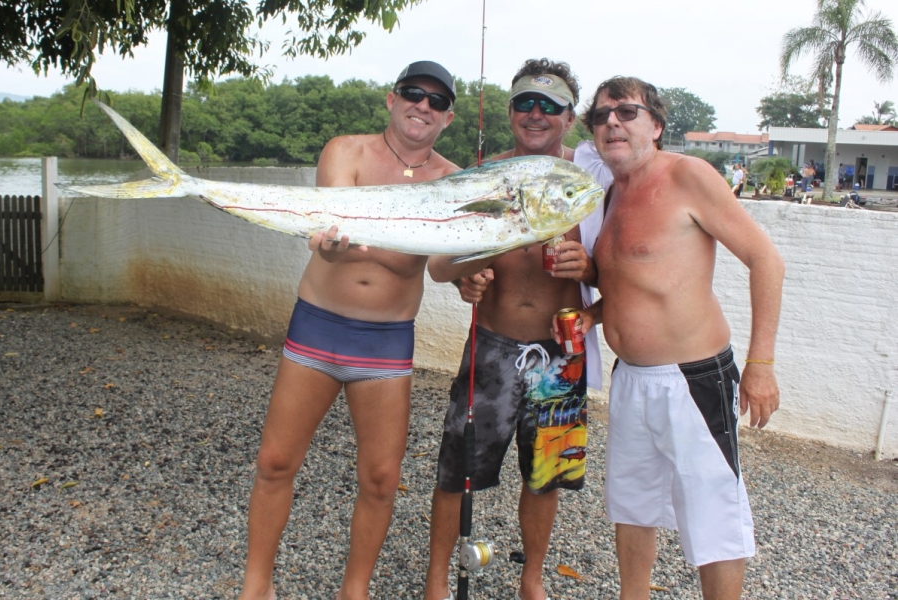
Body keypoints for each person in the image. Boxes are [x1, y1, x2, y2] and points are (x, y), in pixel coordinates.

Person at [238, 60, 459, 600]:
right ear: (391, 99)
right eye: (413, 93)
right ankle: (256, 584)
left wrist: (473, 268)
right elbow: (330, 226)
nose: (422, 106)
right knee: (275, 460)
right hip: (317, 326)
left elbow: (439, 266)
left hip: (386, 342)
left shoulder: (453, 181)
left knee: (382, 479)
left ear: (448, 118)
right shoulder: (346, 151)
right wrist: (330, 242)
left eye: (435, 101)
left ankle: (353, 591)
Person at [572, 76, 784, 600]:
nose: (612, 123)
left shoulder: (689, 176)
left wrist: (761, 364)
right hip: (632, 380)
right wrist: (593, 315)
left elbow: (766, 260)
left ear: (657, 125)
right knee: (633, 506)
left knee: (713, 513)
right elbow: (636, 279)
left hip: (694, 380)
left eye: (626, 112)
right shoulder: (607, 194)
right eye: (601, 116)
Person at [423, 58, 612, 600]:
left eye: (550, 106)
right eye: (526, 102)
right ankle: (438, 580)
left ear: (570, 118)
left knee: (545, 476)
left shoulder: (592, 178)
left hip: (562, 355)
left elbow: (619, 270)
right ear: (510, 112)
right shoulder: (483, 177)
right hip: (491, 346)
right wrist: (470, 275)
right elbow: (440, 267)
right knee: (458, 471)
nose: (536, 114)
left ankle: (532, 580)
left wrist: (589, 270)